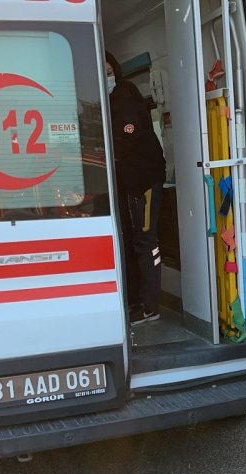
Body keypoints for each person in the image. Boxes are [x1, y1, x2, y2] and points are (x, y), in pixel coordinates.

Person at [106, 52, 167, 325]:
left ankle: (150, 307)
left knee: (145, 240)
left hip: (145, 180)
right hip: (131, 183)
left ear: (116, 71)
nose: (106, 77)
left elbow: (128, 133)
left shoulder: (125, 95)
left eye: (109, 71)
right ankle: (136, 301)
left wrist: (107, 158)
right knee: (134, 240)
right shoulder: (108, 100)